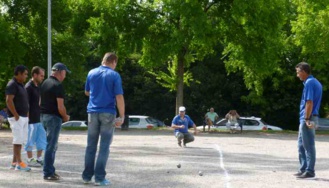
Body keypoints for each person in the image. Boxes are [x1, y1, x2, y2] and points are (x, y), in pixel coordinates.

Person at [82, 52, 125, 186]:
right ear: (113, 62)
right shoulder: (114, 75)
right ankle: (99, 178)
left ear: (103, 60)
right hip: (108, 112)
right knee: (104, 146)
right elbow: (119, 97)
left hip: (92, 112)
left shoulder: (91, 73)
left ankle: (87, 176)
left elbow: (87, 92)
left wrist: (97, 92)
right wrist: (122, 116)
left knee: (91, 145)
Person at [40, 62, 70, 180]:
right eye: (65, 73)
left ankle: (50, 169)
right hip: (53, 117)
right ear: (61, 72)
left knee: (48, 144)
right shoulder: (58, 85)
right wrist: (65, 116)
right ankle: (48, 172)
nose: (65, 76)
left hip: (43, 116)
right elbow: (60, 106)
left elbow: (39, 102)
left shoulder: (44, 83)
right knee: (51, 145)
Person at [294, 62, 322, 179]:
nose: (297, 75)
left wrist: (306, 118)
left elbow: (309, 102)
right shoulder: (314, 82)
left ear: (303, 71)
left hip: (308, 117)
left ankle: (310, 171)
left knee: (309, 145)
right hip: (307, 117)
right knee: (301, 145)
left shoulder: (310, 83)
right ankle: (304, 168)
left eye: (298, 72)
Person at [5, 65, 31, 171]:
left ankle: (14, 162)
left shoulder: (21, 85)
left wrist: (27, 113)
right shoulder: (12, 84)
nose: (26, 76)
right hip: (17, 118)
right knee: (17, 141)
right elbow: (9, 100)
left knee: (20, 140)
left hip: (23, 117)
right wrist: (15, 114)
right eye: (25, 74)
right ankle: (19, 164)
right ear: (19, 73)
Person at [25, 66, 47, 167]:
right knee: (30, 139)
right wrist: (27, 118)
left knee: (41, 138)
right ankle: (30, 159)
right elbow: (25, 103)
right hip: (31, 119)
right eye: (41, 75)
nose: (43, 77)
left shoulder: (37, 86)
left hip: (38, 118)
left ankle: (39, 158)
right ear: (35, 75)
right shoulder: (28, 87)